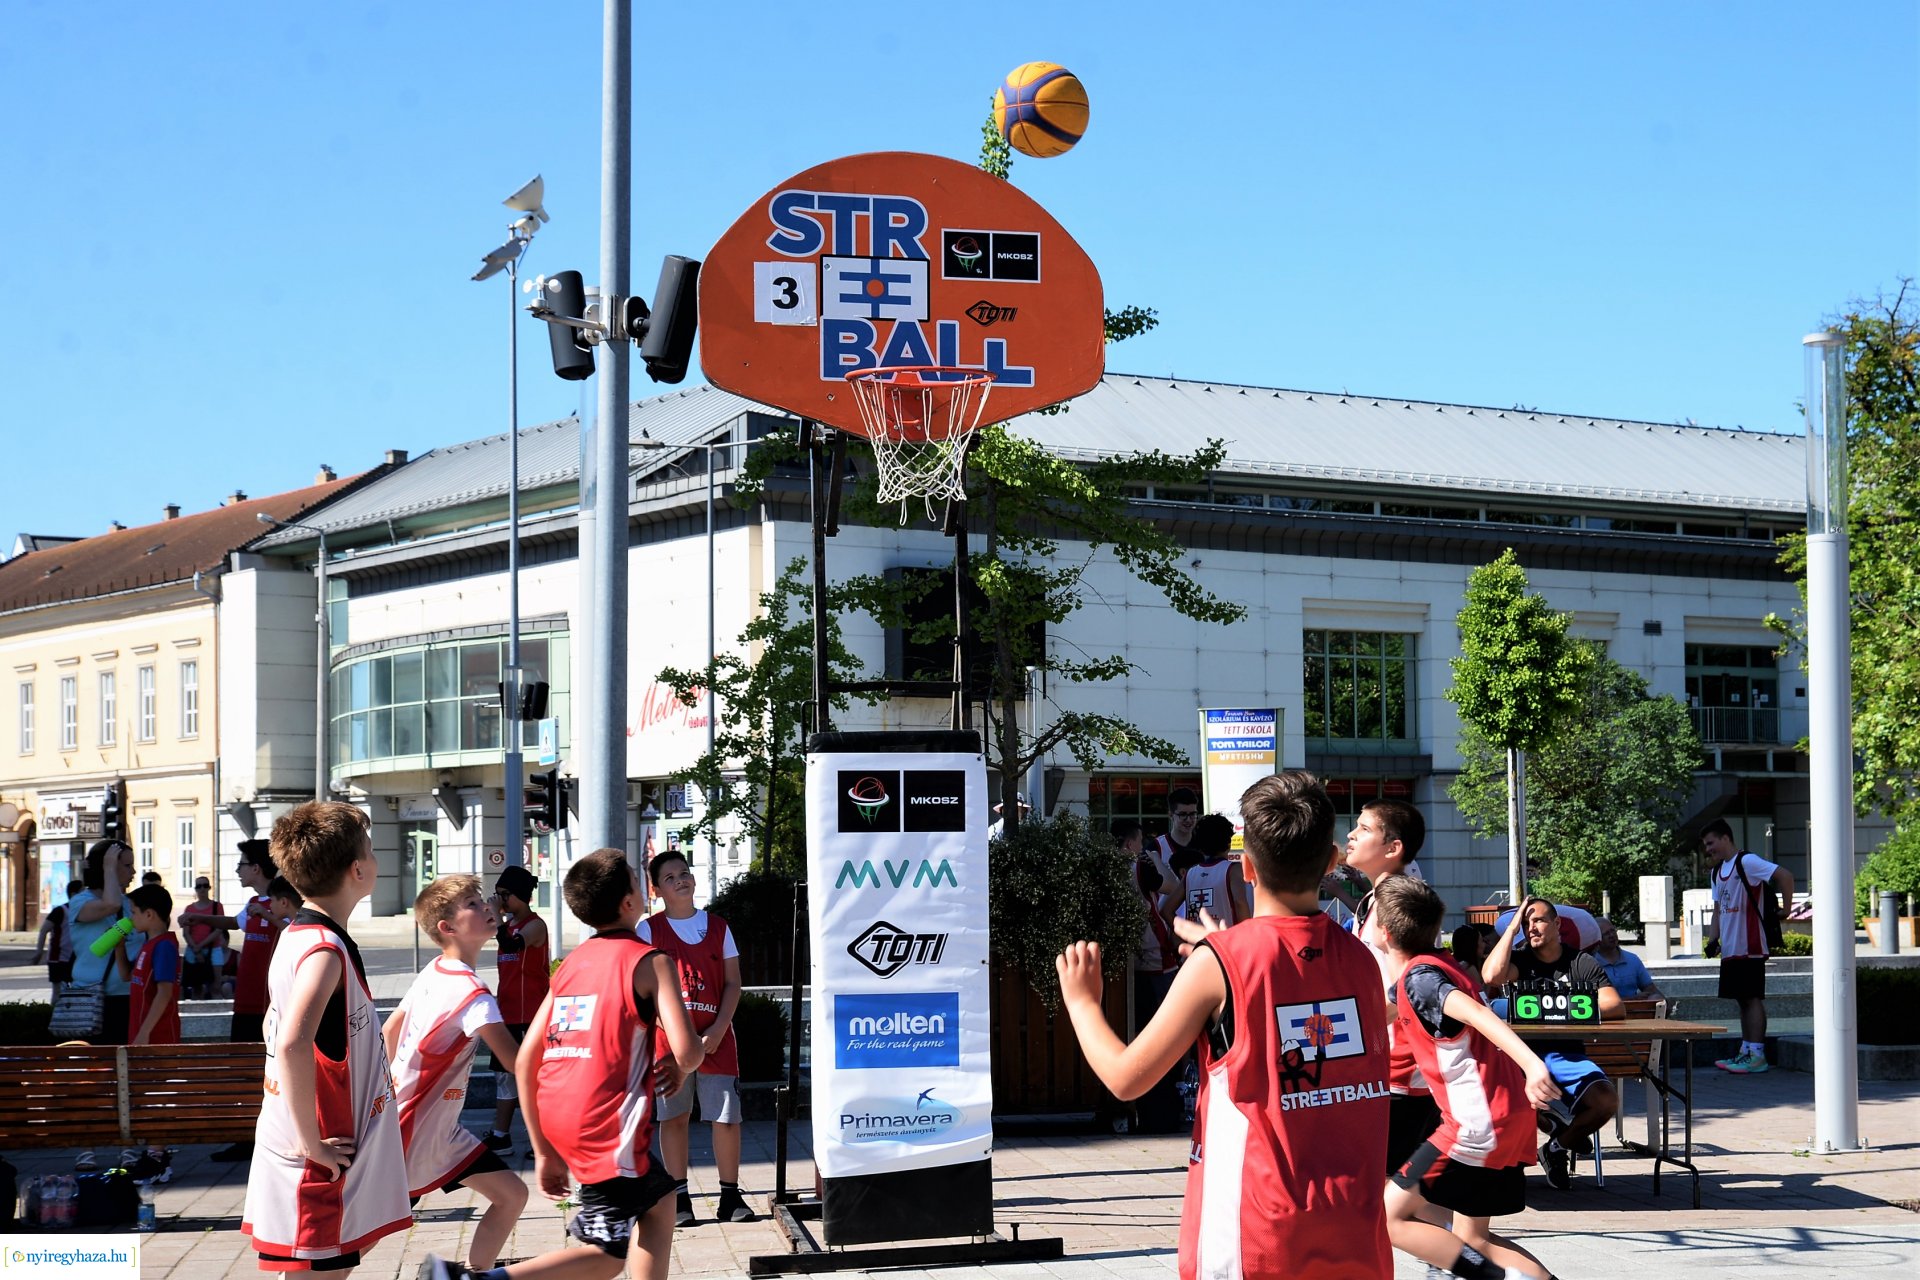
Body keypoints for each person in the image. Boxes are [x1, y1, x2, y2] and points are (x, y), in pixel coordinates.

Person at [1057, 771, 1394, 1279]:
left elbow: (1127, 1077)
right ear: (1330, 862)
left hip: (1255, 1238)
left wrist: (1084, 1004)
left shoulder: (1221, 963)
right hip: (1355, 1233)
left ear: (1248, 867)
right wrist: (1226, 950)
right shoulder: (1363, 960)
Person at [421, 847, 706, 1280]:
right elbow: (686, 1052)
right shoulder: (653, 962)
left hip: (560, 1113)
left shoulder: (571, 964)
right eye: (635, 878)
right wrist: (686, 1063)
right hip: (607, 1125)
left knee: (660, 1202)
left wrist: (542, 1151)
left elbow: (528, 1058)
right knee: (607, 1256)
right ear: (631, 902)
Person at [242, 801, 410, 1275]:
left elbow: (272, 1026)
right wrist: (311, 1143)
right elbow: (293, 1043)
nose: (375, 859)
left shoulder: (297, 935)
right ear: (358, 869)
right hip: (317, 1154)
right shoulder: (322, 951)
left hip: (305, 1143)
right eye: (372, 850)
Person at [1374, 876, 1560, 1280]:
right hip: (1504, 1118)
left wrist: (1532, 1065)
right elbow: (1375, 1016)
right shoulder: (1433, 969)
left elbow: (1477, 1013)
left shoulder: (1421, 980)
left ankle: (1488, 1277)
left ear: (1383, 933)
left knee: (1389, 1217)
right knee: (1474, 1237)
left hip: (1476, 1124)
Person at [384, 875, 529, 1270]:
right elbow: (516, 1062)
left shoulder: (435, 969)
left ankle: (476, 1274)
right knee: (366, 1234)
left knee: (512, 1195)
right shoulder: (474, 996)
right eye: (472, 904)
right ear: (447, 928)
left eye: (482, 900)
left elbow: (389, 1032)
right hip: (415, 1130)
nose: (486, 907)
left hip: (435, 1129)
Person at [640, 850, 755, 1225]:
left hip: (717, 1041)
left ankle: (729, 1196)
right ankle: (679, 1198)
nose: (680, 879)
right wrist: (673, 1034)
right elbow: (642, 990)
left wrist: (719, 1028)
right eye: (670, 877)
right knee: (674, 1118)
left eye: (684, 873)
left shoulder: (719, 927)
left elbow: (734, 983)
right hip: (668, 1045)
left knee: (726, 1117)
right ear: (656, 889)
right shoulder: (648, 930)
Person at [1481, 897, 1622, 1189]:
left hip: (1568, 1056)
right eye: (1526, 923)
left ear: (1557, 924)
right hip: (1522, 1058)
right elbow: (1491, 975)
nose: (1531, 928)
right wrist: (1510, 931)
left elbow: (1614, 1004)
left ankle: (1555, 1147)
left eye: (1538, 921)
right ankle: (1548, 1126)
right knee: (1504, 1095)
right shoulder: (1520, 958)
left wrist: (1556, 1009)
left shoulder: (1580, 961)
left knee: (1605, 1101)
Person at [197, 837, 283, 1162]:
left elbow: (290, 928)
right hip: (245, 1003)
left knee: (260, 1073)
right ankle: (244, 1136)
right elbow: (236, 923)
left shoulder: (281, 903)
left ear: (257, 868)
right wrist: (202, 920)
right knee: (242, 1070)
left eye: (241, 864)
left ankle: (259, 1139)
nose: (237, 870)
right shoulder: (253, 905)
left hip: (265, 1006)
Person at [1702, 819, 1794, 1073]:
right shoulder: (1717, 872)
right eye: (1706, 845)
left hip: (1750, 944)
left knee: (1751, 998)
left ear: (1725, 838)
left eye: (1711, 843)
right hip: (1731, 948)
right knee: (1742, 999)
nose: (1708, 849)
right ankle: (1746, 1051)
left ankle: (1757, 1054)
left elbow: (1784, 876)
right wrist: (1713, 940)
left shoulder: (1747, 862)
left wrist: (1786, 909)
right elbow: (1718, 910)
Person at [1117, 817, 1185, 1133]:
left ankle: (1143, 1106)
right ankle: (1164, 1104)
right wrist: (1158, 859)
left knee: (1136, 1031)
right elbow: (1172, 886)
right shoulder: (1141, 868)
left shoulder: (1106, 870)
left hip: (1126, 961)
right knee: (1165, 1032)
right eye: (1140, 841)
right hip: (1156, 956)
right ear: (1131, 844)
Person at [484, 864, 548, 1155]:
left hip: (530, 1015)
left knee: (534, 1077)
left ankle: (543, 1139)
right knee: (504, 1077)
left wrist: (497, 918)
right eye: (497, 895)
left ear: (522, 896)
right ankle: (501, 1135)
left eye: (505, 895)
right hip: (507, 1013)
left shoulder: (535, 926)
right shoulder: (505, 926)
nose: (500, 901)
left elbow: (511, 944)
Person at [67, 840, 140, 1045]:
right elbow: (111, 904)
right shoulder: (80, 902)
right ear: (106, 867)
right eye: (127, 866)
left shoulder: (131, 904)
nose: (133, 871)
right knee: (98, 1068)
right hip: (93, 999)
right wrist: (109, 866)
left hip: (128, 996)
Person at [126, 884, 183, 1047]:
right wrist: (119, 948)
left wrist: (144, 1033)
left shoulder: (164, 946)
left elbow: (164, 992)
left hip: (157, 1038)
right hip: (141, 1035)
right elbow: (126, 976)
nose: (131, 918)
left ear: (149, 914)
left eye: (134, 912)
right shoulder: (148, 944)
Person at [1174, 813, 1249, 927]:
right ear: (1228, 841)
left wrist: (1183, 931)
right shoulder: (1233, 869)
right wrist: (1247, 934)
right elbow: (1240, 902)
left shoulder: (1191, 873)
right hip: (1225, 940)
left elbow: (1166, 910)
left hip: (1198, 941)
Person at [31, 879, 85, 998]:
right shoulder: (60, 911)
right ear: (73, 894)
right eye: (83, 891)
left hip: (75, 957)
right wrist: (39, 952)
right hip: (58, 958)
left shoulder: (85, 912)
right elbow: (44, 930)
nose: (86, 894)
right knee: (58, 991)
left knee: (76, 990)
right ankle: (54, 1014)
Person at [1589, 917, 1663, 1001]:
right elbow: (1593, 1000)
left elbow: (1650, 988)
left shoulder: (1632, 959)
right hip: (1606, 1011)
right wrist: (1631, 999)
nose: (1612, 936)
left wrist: (1664, 1002)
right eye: (1606, 934)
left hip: (1635, 1011)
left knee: (1657, 999)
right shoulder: (1590, 963)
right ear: (1597, 938)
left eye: (1612, 931)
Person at [180, 876, 227, 1000]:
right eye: (199, 886)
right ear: (195, 889)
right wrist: (196, 949)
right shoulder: (189, 909)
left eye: (205, 885)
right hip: (193, 950)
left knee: (216, 987)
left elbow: (218, 929)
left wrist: (199, 947)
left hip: (213, 948)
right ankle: (196, 1016)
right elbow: (186, 933)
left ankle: (218, 1016)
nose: (202, 889)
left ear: (209, 888)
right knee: (196, 987)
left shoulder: (217, 907)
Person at [1155, 786, 1202, 876]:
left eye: (1192, 814)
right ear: (1171, 815)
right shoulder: (1157, 848)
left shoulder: (1205, 846)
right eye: (1183, 814)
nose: (1188, 820)